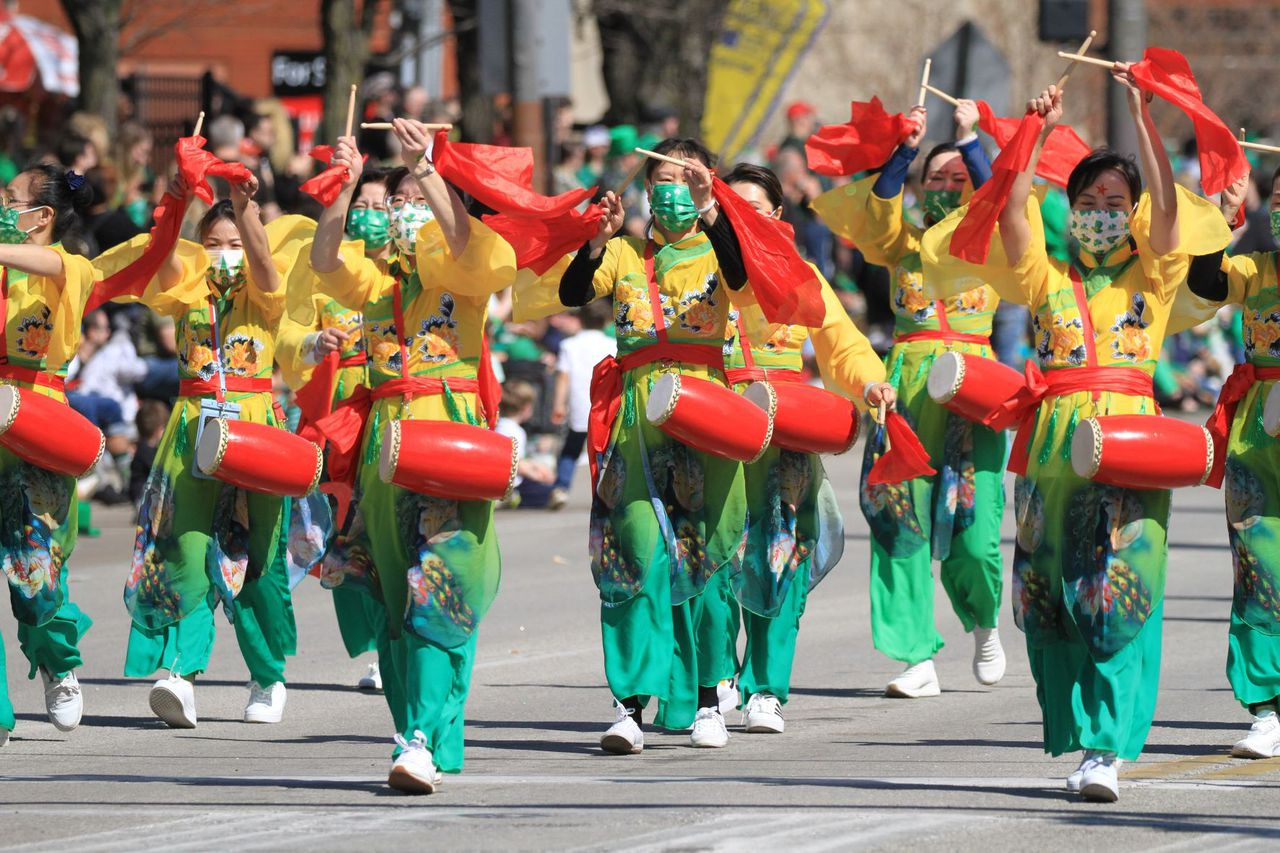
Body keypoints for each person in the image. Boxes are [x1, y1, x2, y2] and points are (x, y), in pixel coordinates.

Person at [918, 69, 1231, 802]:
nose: (1101, 213)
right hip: (1054, 452)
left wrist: (1138, 115)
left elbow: (1163, 212)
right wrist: (1029, 133)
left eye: (1114, 204)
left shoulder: (1154, 276)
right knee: (1051, 599)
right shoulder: (1045, 278)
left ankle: (1106, 749)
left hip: (1127, 447)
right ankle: (1082, 732)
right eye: (1089, 202)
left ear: (1136, 213)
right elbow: (1012, 211)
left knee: (1116, 592)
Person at [519, 136, 753, 753]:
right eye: (661, 181)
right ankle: (628, 705)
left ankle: (708, 700)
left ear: (704, 183)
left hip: (705, 412)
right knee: (632, 557)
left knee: (705, 559)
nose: (669, 192)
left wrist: (712, 210)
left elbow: (742, 276)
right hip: (635, 419)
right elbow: (572, 294)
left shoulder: (718, 245)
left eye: (684, 179)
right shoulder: (624, 255)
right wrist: (596, 240)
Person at [309, 119, 516, 794]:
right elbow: (323, 261)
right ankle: (419, 732)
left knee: (438, 587)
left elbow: (462, 241)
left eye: (410, 200)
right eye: (393, 203)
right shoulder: (377, 285)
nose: (398, 213)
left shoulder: (467, 269)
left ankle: (421, 736)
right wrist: (341, 191)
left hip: (447, 435)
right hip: (384, 445)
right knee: (395, 599)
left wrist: (426, 169)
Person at [810, 98, 1008, 699]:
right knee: (898, 522)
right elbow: (878, 211)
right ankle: (915, 655)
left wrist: (972, 141)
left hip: (976, 390)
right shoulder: (902, 246)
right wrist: (905, 151)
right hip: (906, 390)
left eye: (959, 178)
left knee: (975, 533)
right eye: (936, 179)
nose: (947, 187)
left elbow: (1002, 193)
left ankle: (983, 621)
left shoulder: (993, 239)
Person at [123, 173, 325, 731]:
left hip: (255, 427)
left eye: (233, 243)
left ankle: (267, 675)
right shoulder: (184, 288)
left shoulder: (267, 290)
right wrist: (179, 197)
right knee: (186, 551)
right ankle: (181, 675)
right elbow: (163, 257)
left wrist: (245, 210)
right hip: (190, 429)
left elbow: (264, 266)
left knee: (254, 562)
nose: (223, 254)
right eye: (213, 243)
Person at [719, 163, 894, 733]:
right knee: (714, 556)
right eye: (733, 207)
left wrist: (868, 383)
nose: (746, 218)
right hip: (715, 427)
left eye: (757, 208)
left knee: (779, 557)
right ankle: (718, 674)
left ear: (778, 215)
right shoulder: (697, 271)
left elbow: (841, 347)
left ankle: (766, 688)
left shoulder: (804, 277)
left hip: (784, 435)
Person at [277, 167, 390, 693]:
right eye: (359, 205)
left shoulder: (410, 271)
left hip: (390, 409)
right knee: (343, 530)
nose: (370, 215)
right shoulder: (325, 271)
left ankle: (395, 636)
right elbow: (290, 330)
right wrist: (311, 344)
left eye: (380, 205)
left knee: (391, 525)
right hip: (337, 412)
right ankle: (372, 642)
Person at [1183, 165, 1280, 759]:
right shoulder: (1257, 269)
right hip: (1255, 431)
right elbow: (1205, 280)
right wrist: (1222, 216)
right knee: (1258, 567)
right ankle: (1268, 707)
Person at [0, 163, 97, 746]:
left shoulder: (71, 267)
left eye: (10, 199)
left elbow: (52, 265)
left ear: (42, 216)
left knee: (33, 581)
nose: (1, 205)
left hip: (36, 427)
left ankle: (58, 662)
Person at [550, 300, 616, 507]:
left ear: (579, 319)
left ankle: (561, 488)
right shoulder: (611, 345)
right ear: (606, 321)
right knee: (607, 449)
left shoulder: (569, 345)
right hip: (604, 404)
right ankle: (610, 487)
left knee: (570, 448)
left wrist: (559, 404)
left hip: (579, 403)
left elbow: (563, 377)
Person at [495, 379, 557, 508]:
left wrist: (535, 466)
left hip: (501, 479)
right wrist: (537, 476)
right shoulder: (515, 431)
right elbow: (515, 464)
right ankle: (512, 498)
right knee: (548, 492)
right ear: (526, 407)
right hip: (512, 483)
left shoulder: (499, 425)